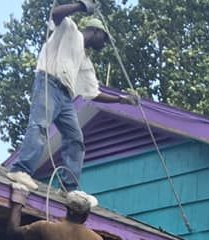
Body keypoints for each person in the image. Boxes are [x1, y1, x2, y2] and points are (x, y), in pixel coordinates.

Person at [8, 2, 138, 195]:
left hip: (65, 97)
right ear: (95, 31)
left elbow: (93, 93)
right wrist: (81, 5)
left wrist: (121, 99)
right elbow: (55, 13)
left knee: (75, 139)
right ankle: (20, 169)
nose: (104, 44)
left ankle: (69, 187)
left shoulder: (85, 62)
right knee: (40, 125)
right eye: (104, 38)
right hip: (49, 82)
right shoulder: (70, 30)